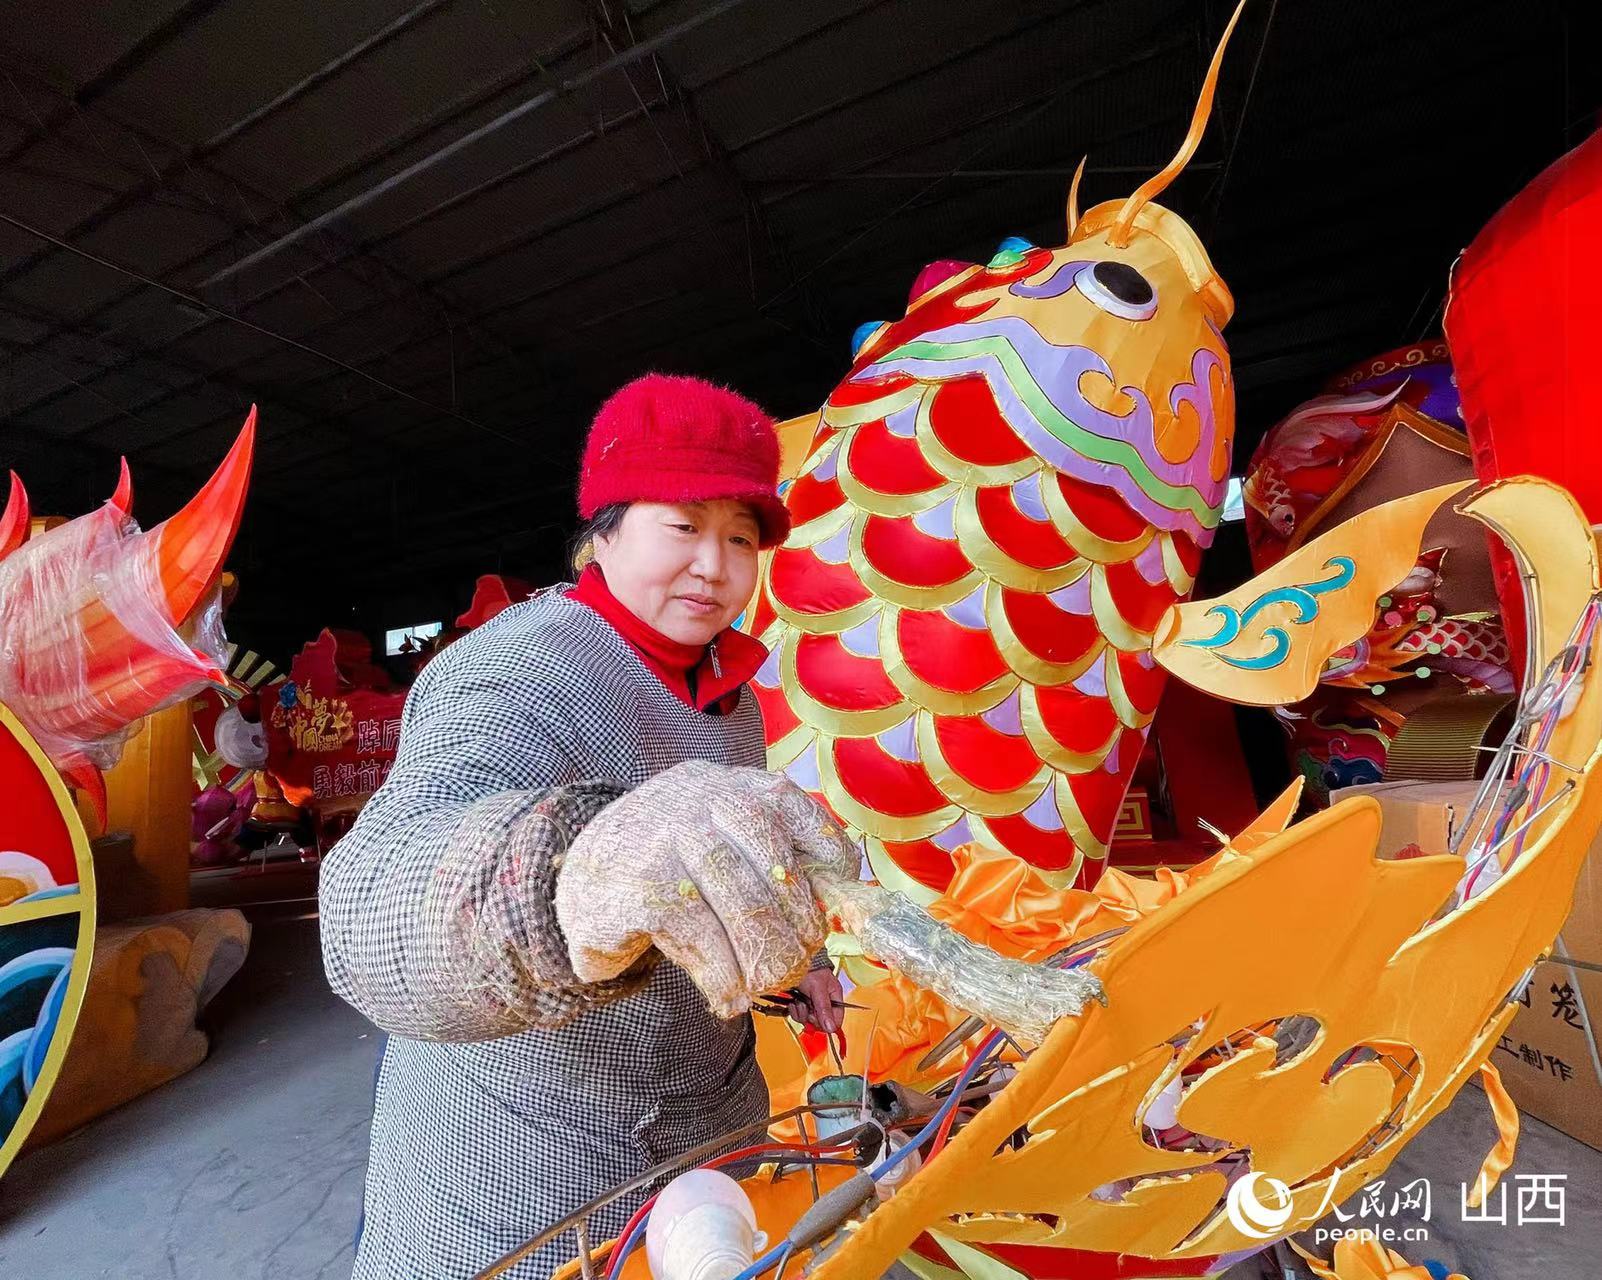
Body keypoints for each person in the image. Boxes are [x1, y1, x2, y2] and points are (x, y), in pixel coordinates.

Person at [319, 373, 856, 1279]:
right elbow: (372, 907)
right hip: (524, 1170)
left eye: (740, 538)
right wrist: (577, 869)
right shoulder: (513, 672)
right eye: (683, 527)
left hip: (708, 1138)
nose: (715, 566)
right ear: (602, 531)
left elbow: (708, 866)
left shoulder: (730, 695)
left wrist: (794, 957)